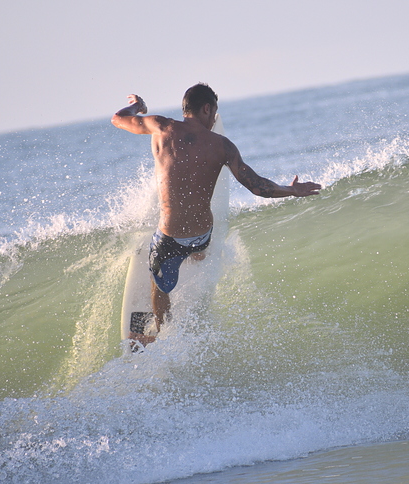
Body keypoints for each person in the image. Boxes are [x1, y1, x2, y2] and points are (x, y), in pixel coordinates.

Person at [112, 84, 322, 345]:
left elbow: (118, 119)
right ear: (206, 108)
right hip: (202, 235)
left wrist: (138, 106)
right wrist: (291, 190)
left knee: (158, 285)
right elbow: (258, 187)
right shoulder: (223, 146)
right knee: (198, 245)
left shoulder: (160, 127)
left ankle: (163, 330)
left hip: (169, 239)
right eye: (214, 112)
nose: (213, 120)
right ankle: (197, 256)